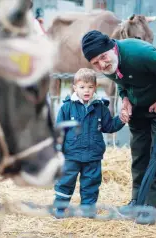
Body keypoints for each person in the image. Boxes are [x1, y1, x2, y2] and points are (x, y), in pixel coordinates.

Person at [81, 30, 156, 211]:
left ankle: (150, 205)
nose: (102, 64)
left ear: (112, 47)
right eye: (95, 63)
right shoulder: (107, 65)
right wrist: (126, 100)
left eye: (103, 57)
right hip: (138, 103)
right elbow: (122, 83)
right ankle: (137, 200)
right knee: (139, 152)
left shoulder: (140, 53)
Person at [54, 68, 125, 218]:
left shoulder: (100, 108)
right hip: (71, 155)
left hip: (93, 156)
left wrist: (121, 119)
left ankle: (87, 211)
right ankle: (60, 209)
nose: (86, 90)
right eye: (82, 87)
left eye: (90, 87)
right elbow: (59, 130)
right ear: (75, 88)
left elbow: (109, 126)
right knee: (65, 182)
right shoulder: (67, 107)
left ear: (95, 87)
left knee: (91, 184)